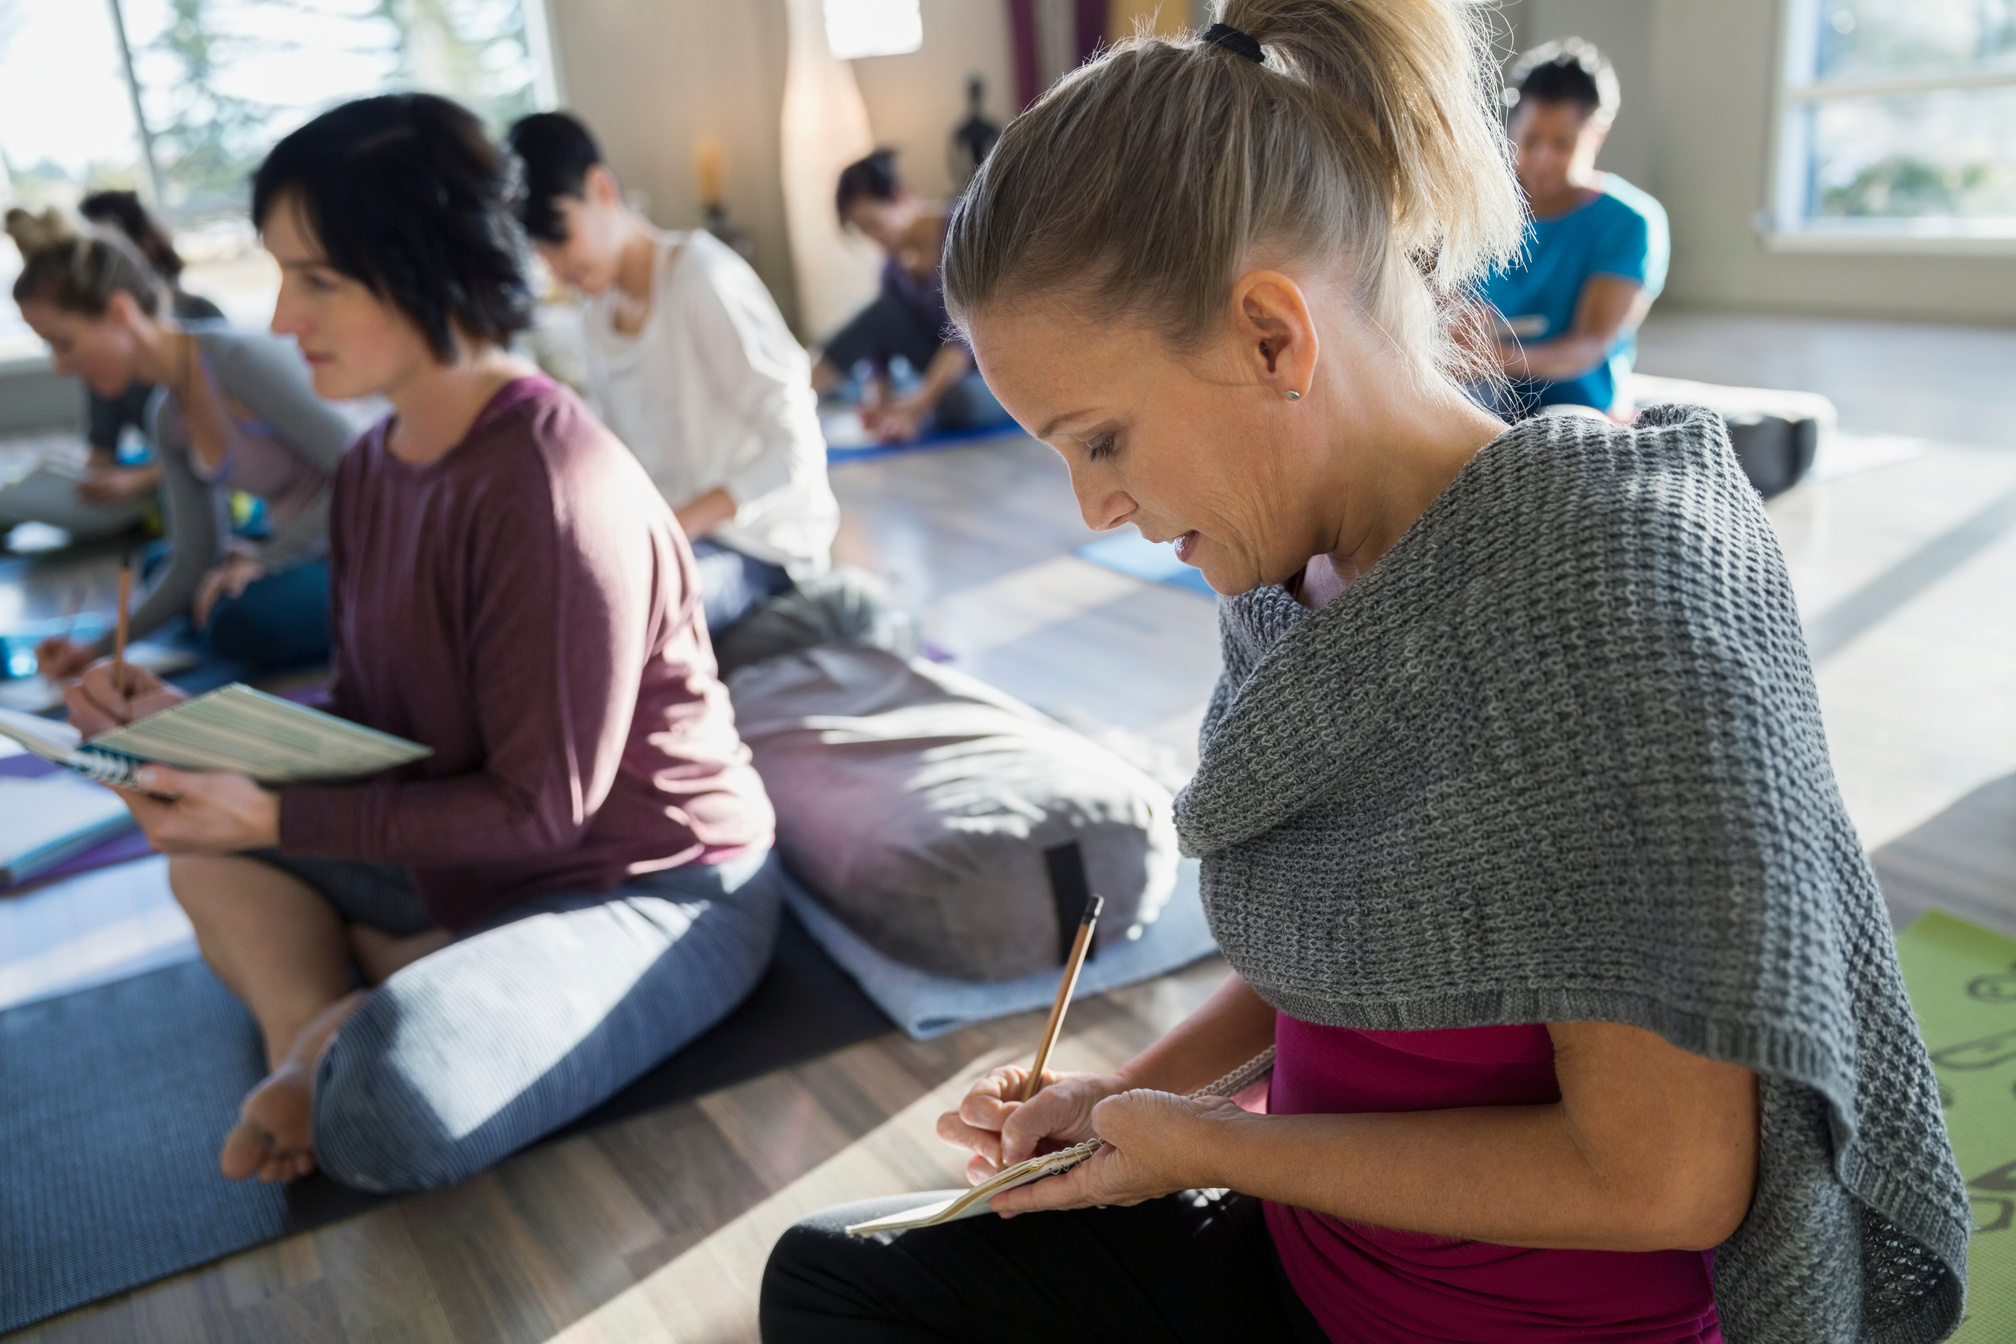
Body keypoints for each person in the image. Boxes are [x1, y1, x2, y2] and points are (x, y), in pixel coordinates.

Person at [761, 4, 1966, 1342]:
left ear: (1273, 337)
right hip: (1308, 1256)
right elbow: (1362, 941)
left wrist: (1211, 1147)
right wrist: (1117, 1109)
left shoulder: (1602, 593)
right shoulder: (1290, 572)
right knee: (827, 1280)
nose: (1094, 507)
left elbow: (1669, 1183)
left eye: (1100, 438)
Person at [61, 92, 780, 1193]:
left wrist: (278, 811)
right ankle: (318, 1026)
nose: (286, 320)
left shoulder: (551, 485)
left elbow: (545, 809)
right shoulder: (371, 470)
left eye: (318, 281)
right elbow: (372, 718)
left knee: (392, 1106)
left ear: (419, 265)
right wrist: (198, 736)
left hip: (644, 883)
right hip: (470, 854)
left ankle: (373, 1009)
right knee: (199, 846)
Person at [507, 111, 839, 634]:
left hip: (758, 546)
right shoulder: (595, 313)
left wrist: (671, 528)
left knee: (622, 612)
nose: (553, 264)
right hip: (672, 538)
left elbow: (796, 449)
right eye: (539, 250)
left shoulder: (703, 278)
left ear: (601, 188)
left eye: (559, 236)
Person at [10, 209, 349, 680]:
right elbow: (194, 557)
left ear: (120, 312)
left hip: (360, 544)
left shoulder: (236, 360)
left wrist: (268, 560)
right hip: (294, 543)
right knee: (159, 567)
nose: (61, 365)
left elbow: (362, 471)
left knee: (238, 618)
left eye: (64, 343)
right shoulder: (166, 416)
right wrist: (97, 651)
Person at [1474, 38, 1669, 418]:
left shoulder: (1630, 221)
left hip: (1578, 407)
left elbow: (1589, 346)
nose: (1543, 159)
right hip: (1480, 392)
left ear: (1597, 135)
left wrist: (1491, 357)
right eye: (1529, 141)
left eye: (1562, 144)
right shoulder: (1479, 210)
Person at [811, 149, 1010, 444]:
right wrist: (879, 402)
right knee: (882, 312)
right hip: (934, 371)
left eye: (874, 225)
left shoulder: (963, 230)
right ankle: (796, 395)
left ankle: (923, 407)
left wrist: (916, 406)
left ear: (901, 197)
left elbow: (964, 339)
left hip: (988, 369)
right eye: (863, 232)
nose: (873, 239)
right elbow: (878, 351)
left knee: (960, 401)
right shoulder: (893, 267)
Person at [75, 190, 225, 509]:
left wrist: (145, 478)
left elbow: (232, 444)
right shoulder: (100, 352)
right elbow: (102, 448)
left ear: (147, 245)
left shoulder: (203, 319)